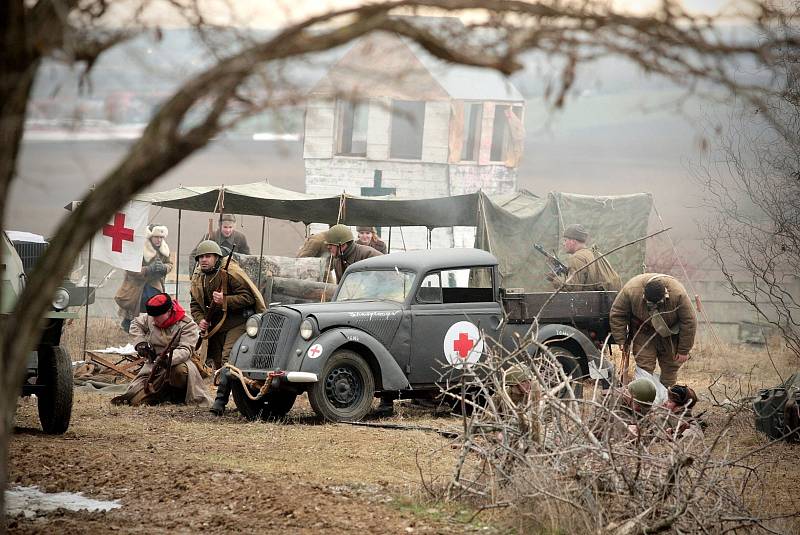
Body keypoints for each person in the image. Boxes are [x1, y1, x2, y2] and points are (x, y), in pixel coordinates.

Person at [111, 293, 213, 407]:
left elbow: (185, 350)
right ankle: (160, 395)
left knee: (179, 371)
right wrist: (141, 343)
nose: (154, 320)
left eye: (157, 316)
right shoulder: (151, 317)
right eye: (153, 316)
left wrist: (168, 358)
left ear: (169, 311)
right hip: (152, 365)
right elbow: (135, 324)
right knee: (136, 400)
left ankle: (179, 395)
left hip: (178, 362)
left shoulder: (187, 324)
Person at [609, 274, 697, 387]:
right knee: (644, 367)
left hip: (669, 335)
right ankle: (644, 399)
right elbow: (617, 314)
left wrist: (683, 350)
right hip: (643, 333)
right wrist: (621, 339)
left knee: (670, 367)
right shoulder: (631, 290)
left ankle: (667, 398)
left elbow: (689, 321)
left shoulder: (678, 294)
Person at [115, 224, 174, 333]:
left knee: (155, 307)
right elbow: (130, 268)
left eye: (161, 237)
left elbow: (169, 264)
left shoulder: (164, 249)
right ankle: (130, 328)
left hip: (154, 285)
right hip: (136, 285)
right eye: (156, 237)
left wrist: (164, 268)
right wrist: (148, 269)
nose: (159, 240)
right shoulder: (138, 248)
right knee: (132, 311)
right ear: (150, 236)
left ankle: (151, 329)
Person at [547, 223, 620, 291]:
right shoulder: (596, 254)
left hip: (591, 302)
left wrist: (555, 279)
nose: (563, 244)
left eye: (565, 240)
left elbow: (573, 288)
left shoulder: (577, 257)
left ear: (573, 241)